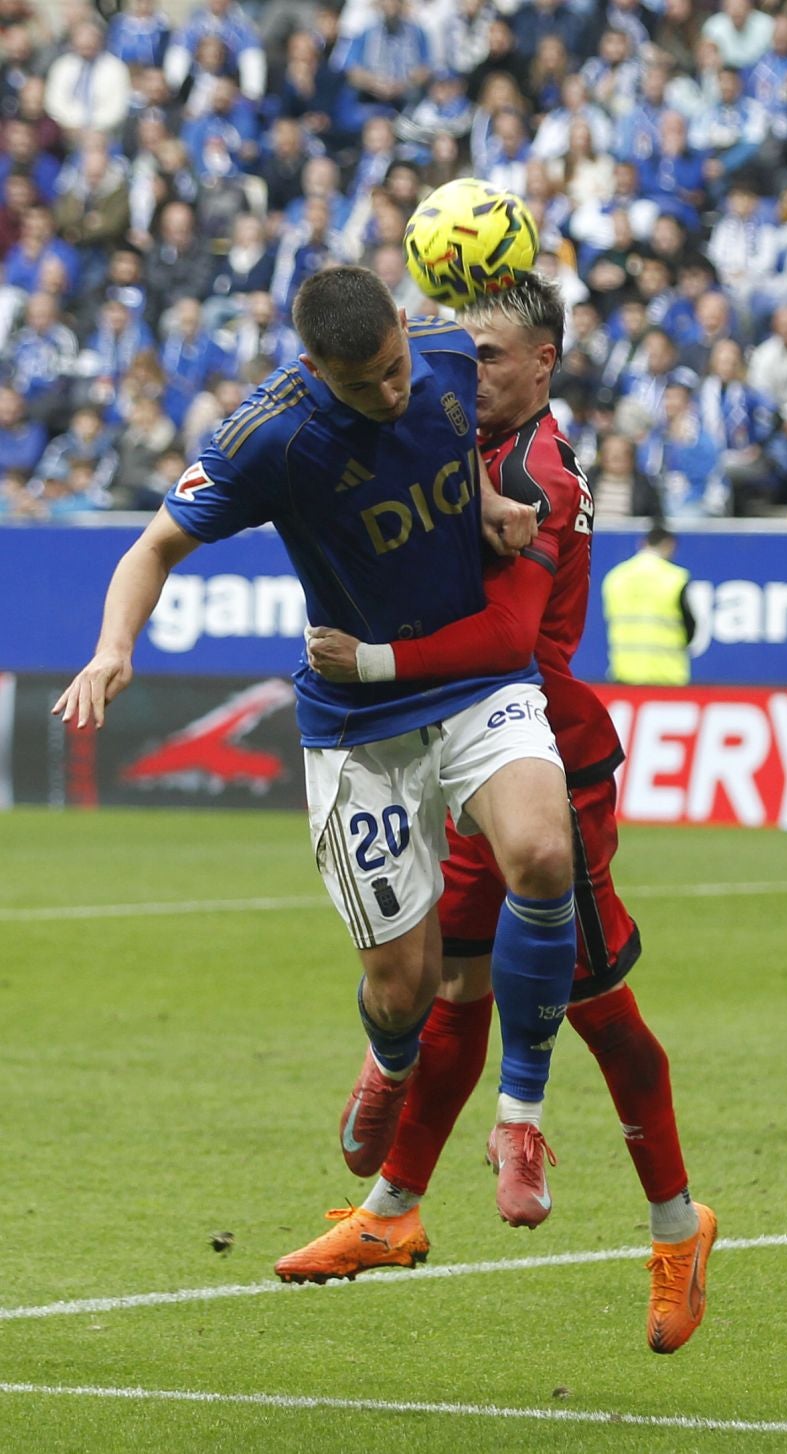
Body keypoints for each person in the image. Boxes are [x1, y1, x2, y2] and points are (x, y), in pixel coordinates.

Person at [51, 267, 588, 1236]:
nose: (391, 391)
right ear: (314, 366)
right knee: (406, 985)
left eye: (395, 367)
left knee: (545, 853)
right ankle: (389, 1059)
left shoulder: (445, 353)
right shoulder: (265, 437)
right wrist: (111, 648)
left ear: (403, 330)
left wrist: (484, 507)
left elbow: (449, 448)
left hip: (471, 681)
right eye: (364, 383)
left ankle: (519, 1117)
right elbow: (153, 547)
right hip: (357, 714)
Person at [274, 276, 715, 1352]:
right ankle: (392, 1211)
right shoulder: (457, 438)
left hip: (545, 758)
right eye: (462, 353)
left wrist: (375, 659)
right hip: (466, 749)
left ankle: (676, 1227)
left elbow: (510, 644)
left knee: (600, 1007)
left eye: (492, 358)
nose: (468, 374)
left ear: (544, 364)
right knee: (454, 988)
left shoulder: (538, 473)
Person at [603, 526, 696, 685]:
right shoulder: (676, 578)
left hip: (624, 673)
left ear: (642, 543)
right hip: (667, 676)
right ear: (669, 545)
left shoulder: (615, 577)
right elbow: (690, 627)